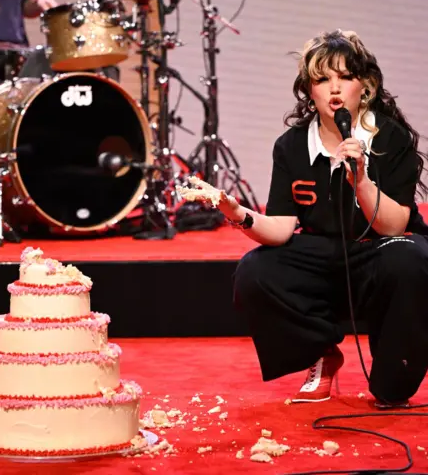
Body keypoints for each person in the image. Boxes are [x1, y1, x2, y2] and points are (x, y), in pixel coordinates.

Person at [179, 30, 428, 408]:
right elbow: (280, 228)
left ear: (366, 86)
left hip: (378, 253)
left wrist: (360, 177)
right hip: (322, 253)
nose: (335, 89)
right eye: (322, 79)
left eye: (345, 77)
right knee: (255, 271)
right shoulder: (292, 146)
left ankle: (394, 378)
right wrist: (236, 211)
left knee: (410, 256)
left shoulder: (390, 138)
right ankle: (321, 353)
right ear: (308, 91)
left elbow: (393, 226)